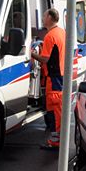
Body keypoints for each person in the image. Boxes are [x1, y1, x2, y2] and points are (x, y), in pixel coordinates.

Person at [30, 9, 65, 150]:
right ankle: (58, 137)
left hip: (54, 77)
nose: (43, 18)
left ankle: (56, 141)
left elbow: (45, 59)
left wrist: (31, 54)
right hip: (61, 75)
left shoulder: (50, 36)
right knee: (58, 108)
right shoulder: (61, 32)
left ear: (50, 17)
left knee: (54, 108)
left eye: (44, 16)